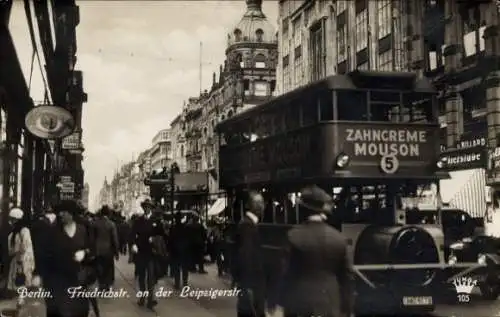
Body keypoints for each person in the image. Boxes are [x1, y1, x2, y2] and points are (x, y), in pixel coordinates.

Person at [276, 185, 354, 317]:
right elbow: (347, 277)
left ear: (303, 210)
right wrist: (348, 308)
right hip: (330, 305)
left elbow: (285, 273)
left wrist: (281, 302)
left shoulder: (292, 236)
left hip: (299, 305)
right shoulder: (339, 238)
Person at [42, 200, 97, 317]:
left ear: (71, 213)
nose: (60, 214)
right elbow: (46, 256)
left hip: (78, 282)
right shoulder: (53, 232)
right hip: (58, 282)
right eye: (59, 212)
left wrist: (84, 252)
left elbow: (92, 249)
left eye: (63, 211)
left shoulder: (83, 230)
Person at [233, 191, 266, 317]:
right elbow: (245, 255)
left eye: (261, 203)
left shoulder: (248, 224)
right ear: (252, 206)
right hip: (252, 284)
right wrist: (248, 285)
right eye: (258, 203)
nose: (261, 206)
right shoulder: (247, 226)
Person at [130, 199, 164, 310]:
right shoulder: (138, 221)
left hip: (151, 253)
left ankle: (150, 300)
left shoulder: (156, 221)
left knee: (150, 277)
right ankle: (142, 297)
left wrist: (154, 238)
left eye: (148, 207)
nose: (146, 208)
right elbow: (132, 235)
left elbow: (161, 235)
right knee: (141, 276)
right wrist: (133, 244)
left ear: (151, 208)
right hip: (140, 252)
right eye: (145, 206)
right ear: (143, 208)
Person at [6, 208, 35, 305]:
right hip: (21, 259)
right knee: (21, 280)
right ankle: (20, 301)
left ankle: (20, 301)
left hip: (21, 260)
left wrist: (18, 258)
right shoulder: (18, 232)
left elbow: (23, 247)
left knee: (20, 280)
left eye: (13, 219)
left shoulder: (20, 232)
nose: (12, 221)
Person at [93, 205, 119, 290]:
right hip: (108, 250)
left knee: (99, 268)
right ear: (109, 213)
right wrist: (116, 252)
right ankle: (107, 285)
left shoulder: (95, 223)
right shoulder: (111, 224)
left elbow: (92, 238)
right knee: (108, 268)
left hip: (97, 250)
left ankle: (101, 285)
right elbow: (115, 239)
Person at [168, 211, 191, 290]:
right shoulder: (185, 228)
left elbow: (170, 240)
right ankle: (185, 283)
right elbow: (188, 240)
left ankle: (177, 284)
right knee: (184, 268)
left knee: (176, 268)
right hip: (184, 250)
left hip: (175, 251)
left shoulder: (173, 228)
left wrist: (170, 250)